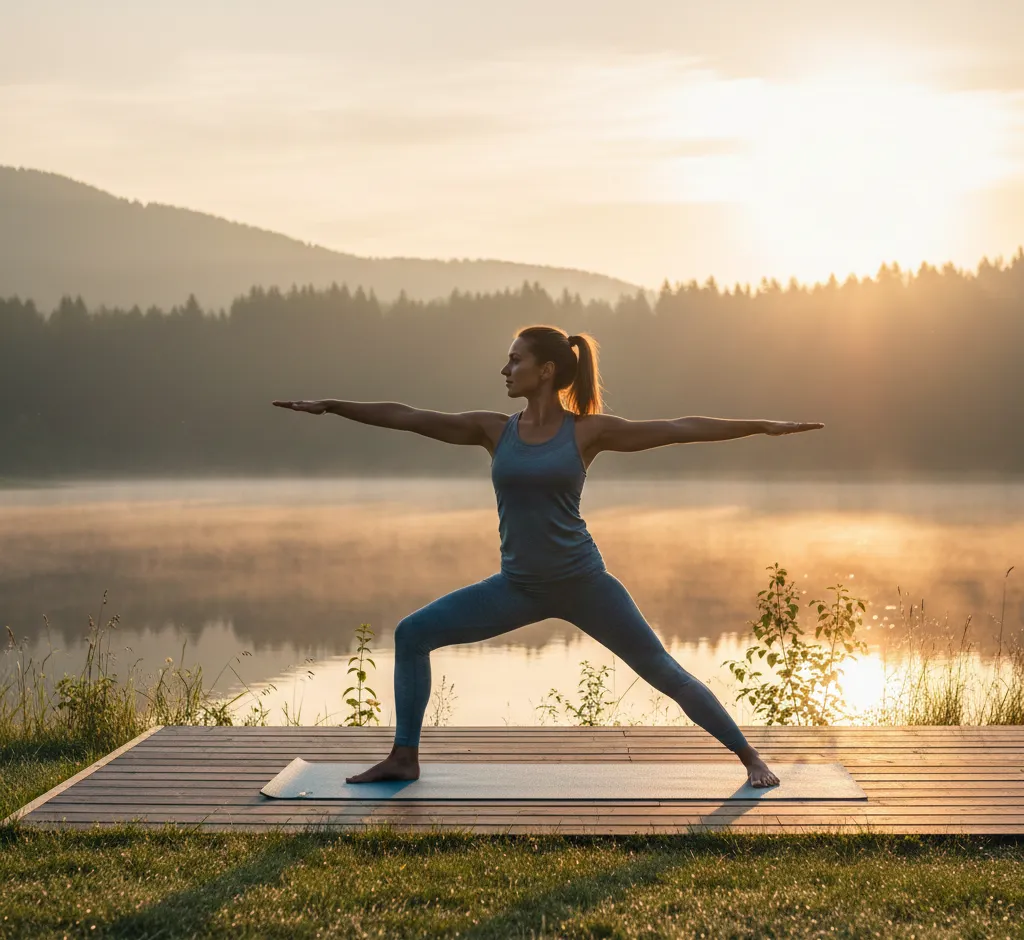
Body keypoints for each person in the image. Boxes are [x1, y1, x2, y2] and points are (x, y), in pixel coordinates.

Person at [273, 324, 824, 787]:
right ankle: (404, 758)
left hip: (584, 583)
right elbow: (412, 416)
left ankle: (750, 758)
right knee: (413, 634)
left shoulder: (588, 432)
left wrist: (761, 426)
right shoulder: (493, 430)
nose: (505, 370)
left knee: (662, 670)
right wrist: (333, 406)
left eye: (515, 361)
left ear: (546, 371)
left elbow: (678, 429)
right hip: (518, 587)